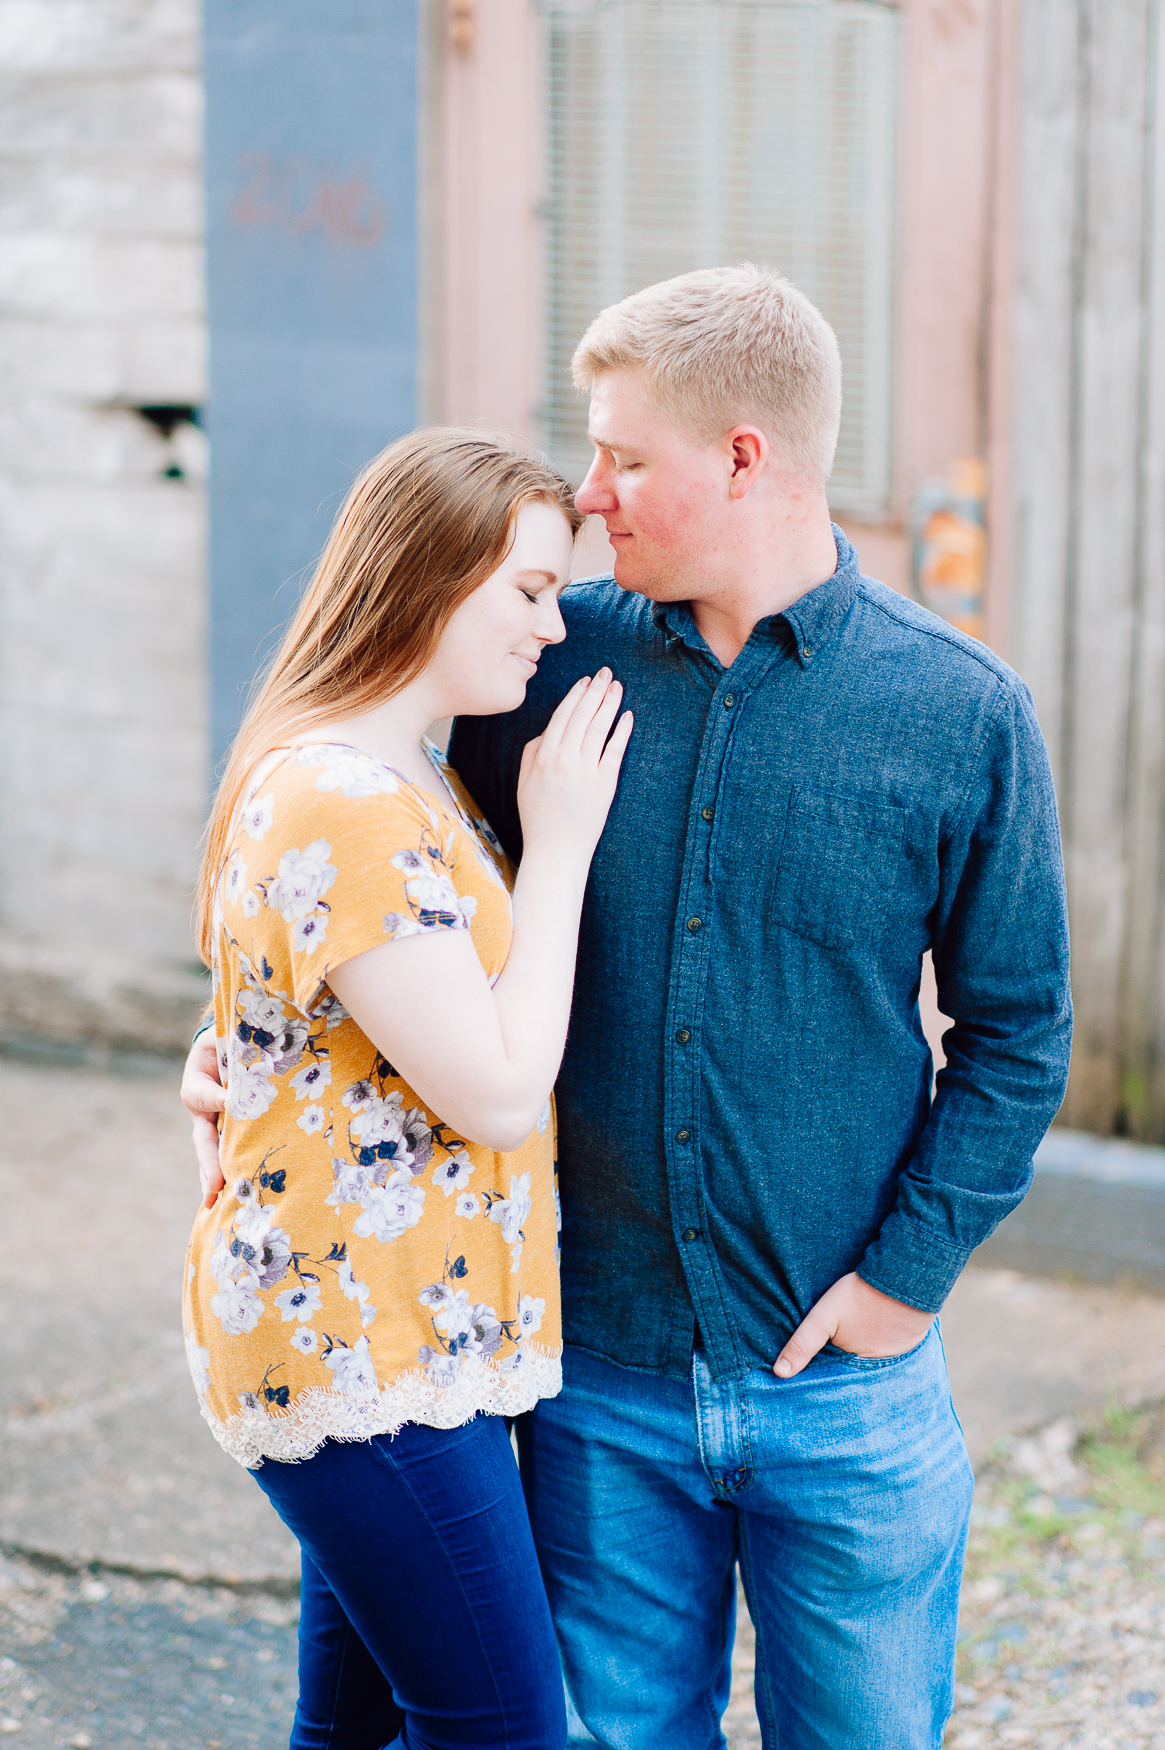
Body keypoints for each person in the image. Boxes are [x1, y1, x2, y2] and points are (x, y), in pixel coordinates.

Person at [185, 265, 1072, 1750]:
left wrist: (904, 1278)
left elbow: (1017, 1031)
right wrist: (232, 1064)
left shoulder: (958, 711)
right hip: (592, 1382)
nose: (591, 496)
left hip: (845, 1395)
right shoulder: (534, 651)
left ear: (742, 456)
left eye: (622, 456)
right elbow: (358, 892)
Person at [181, 427, 631, 1750]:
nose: (553, 630)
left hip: (392, 1336)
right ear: (431, 578)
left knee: (353, 1731)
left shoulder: (393, 770)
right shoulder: (344, 794)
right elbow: (495, 1091)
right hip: (357, 1343)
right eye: (531, 592)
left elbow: (298, 1038)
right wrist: (558, 849)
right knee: (502, 1731)